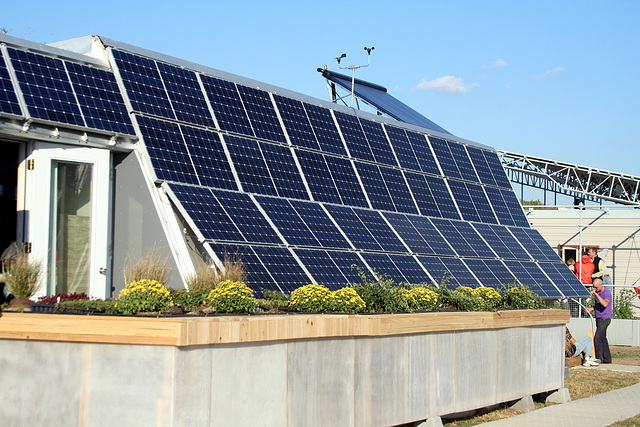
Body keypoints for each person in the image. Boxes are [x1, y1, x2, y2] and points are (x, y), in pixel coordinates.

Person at [585, 277, 612, 364]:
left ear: (601, 285)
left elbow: (604, 304)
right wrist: (591, 309)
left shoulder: (606, 293)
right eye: (594, 287)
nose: (595, 289)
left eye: (596, 287)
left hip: (605, 319)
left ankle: (599, 358)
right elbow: (598, 305)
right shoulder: (598, 292)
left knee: (597, 338)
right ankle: (607, 359)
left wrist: (597, 295)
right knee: (603, 338)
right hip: (599, 318)